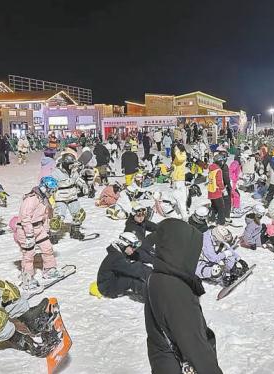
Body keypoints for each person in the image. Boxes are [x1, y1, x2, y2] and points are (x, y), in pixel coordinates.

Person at [145, 219, 223, 374]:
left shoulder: (158, 275)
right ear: (180, 249)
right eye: (192, 250)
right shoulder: (174, 288)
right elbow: (195, 347)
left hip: (163, 362)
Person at [14, 176, 62, 290]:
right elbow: (25, 218)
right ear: (44, 188)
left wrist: (46, 229)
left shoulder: (44, 199)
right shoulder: (31, 199)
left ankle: (49, 269)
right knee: (29, 255)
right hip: (25, 230)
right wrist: (29, 235)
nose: (52, 193)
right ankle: (27, 277)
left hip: (39, 228)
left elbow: (44, 216)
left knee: (47, 248)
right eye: (51, 190)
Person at [91, 232, 152, 300]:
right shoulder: (116, 257)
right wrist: (153, 274)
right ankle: (153, 296)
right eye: (132, 247)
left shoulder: (119, 252)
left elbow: (139, 257)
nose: (134, 250)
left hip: (112, 280)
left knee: (136, 273)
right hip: (107, 288)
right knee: (132, 280)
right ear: (123, 245)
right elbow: (133, 269)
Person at [50, 151, 88, 242]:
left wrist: (84, 185)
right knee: (58, 218)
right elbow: (51, 183)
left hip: (72, 197)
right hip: (61, 199)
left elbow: (77, 179)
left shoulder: (74, 171)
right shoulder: (56, 172)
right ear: (65, 163)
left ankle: (75, 231)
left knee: (79, 214)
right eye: (71, 164)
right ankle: (53, 235)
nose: (72, 165)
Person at [207, 152, 227, 225]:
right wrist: (223, 189)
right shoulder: (218, 170)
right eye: (221, 161)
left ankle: (211, 219)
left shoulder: (211, 168)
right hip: (216, 191)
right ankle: (221, 222)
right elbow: (219, 182)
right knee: (221, 207)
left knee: (213, 206)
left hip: (210, 191)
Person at [171, 142, 189, 219]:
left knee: (181, 198)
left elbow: (180, 159)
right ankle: (179, 210)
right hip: (175, 178)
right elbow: (175, 164)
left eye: (176, 148)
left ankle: (184, 215)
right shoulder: (177, 155)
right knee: (175, 197)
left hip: (180, 179)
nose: (174, 150)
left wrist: (177, 151)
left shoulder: (183, 154)